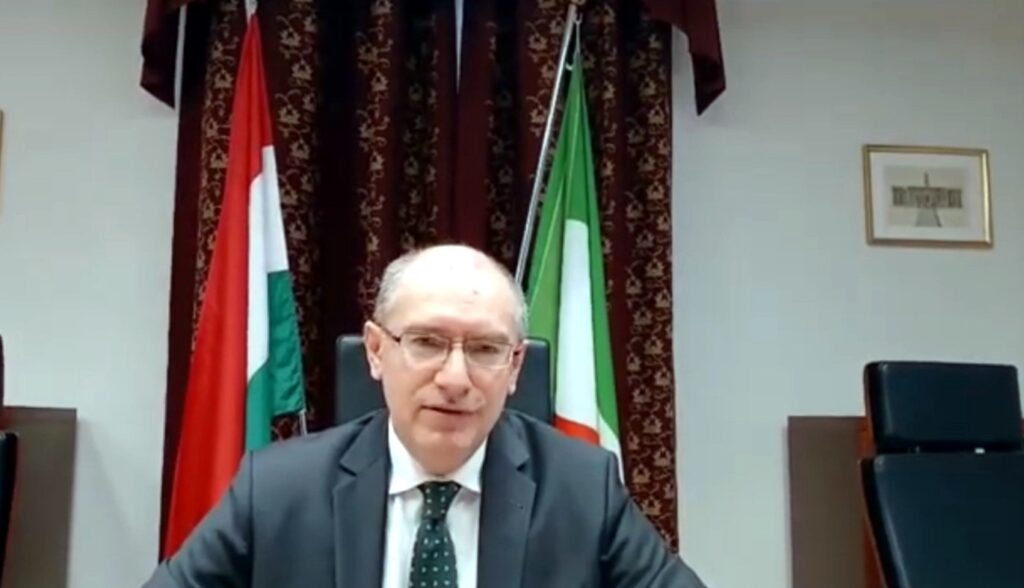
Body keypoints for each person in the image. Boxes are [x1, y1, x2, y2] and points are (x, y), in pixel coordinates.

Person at [143, 244, 707, 588]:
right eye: (427, 342)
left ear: (514, 366)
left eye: (485, 349)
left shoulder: (582, 491)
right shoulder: (278, 491)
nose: (455, 378)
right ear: (375, 351)